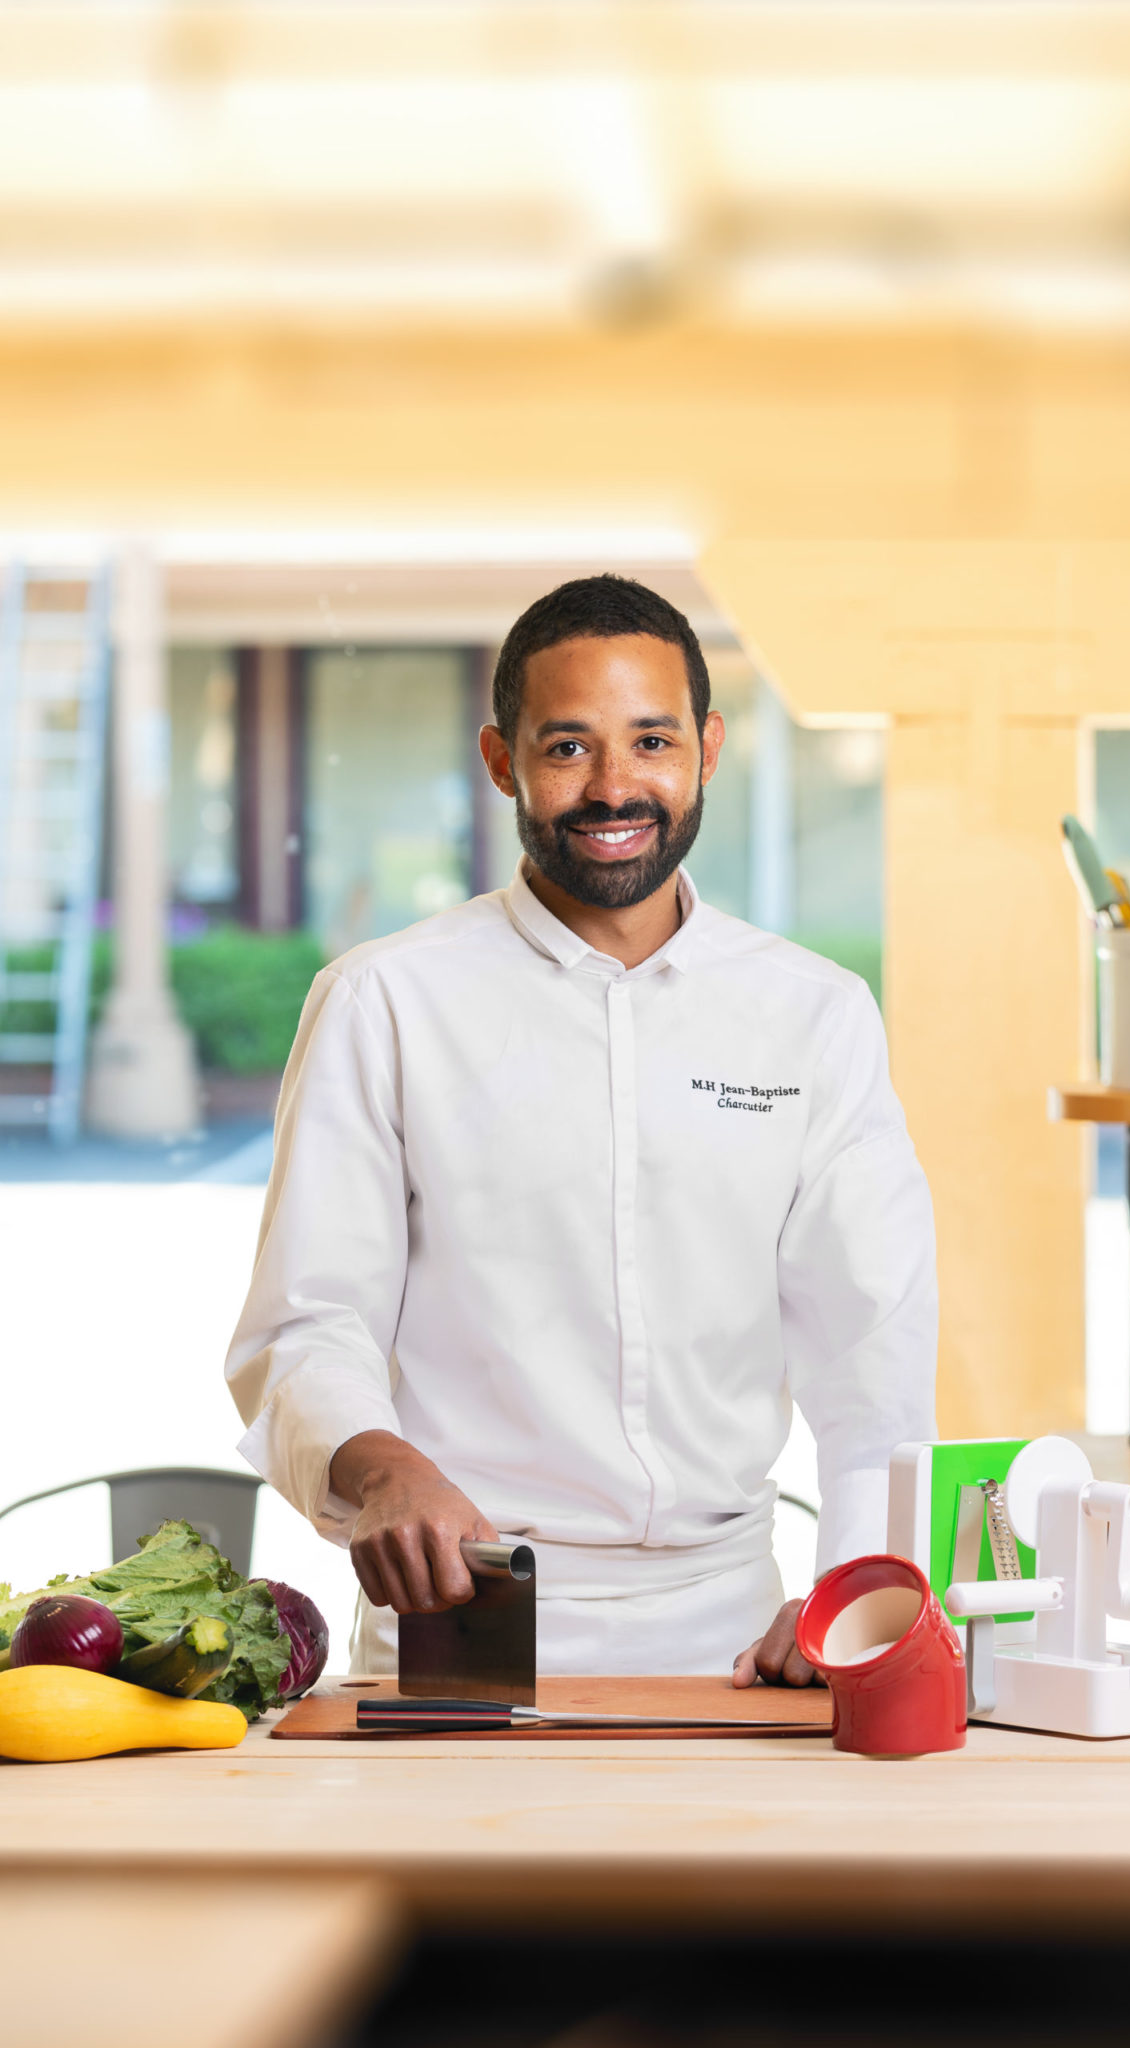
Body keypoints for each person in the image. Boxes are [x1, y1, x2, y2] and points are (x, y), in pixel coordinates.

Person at [226, 574, 937, 1685]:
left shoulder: (815, 1013)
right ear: (502, 759)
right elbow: (306, 1326)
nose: (616, 785)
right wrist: (382, 1471)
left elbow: (874, 1352)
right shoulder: (386, 1001)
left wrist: (855, 1592)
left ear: (706, 746)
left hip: (737, 1641)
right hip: (463, 1616)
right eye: (568, 748)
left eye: (651, 739)